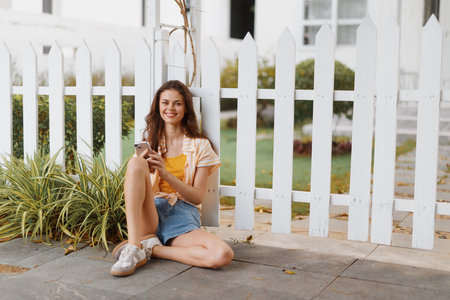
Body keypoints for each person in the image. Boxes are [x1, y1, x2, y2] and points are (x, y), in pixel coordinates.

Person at [110, 80, 234, 276]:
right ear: (158, 106)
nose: (170, 108)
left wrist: (165, 173)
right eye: (165, 102)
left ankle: (152, 248)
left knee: (221, 254)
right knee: (135, 163)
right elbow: (137, 190)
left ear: (186, 108)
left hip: (182, 215)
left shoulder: (201, 146)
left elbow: (197, 197)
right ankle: (135, 247)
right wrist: (147, 169)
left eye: (177, 103)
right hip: (151, 211)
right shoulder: (149, 146)